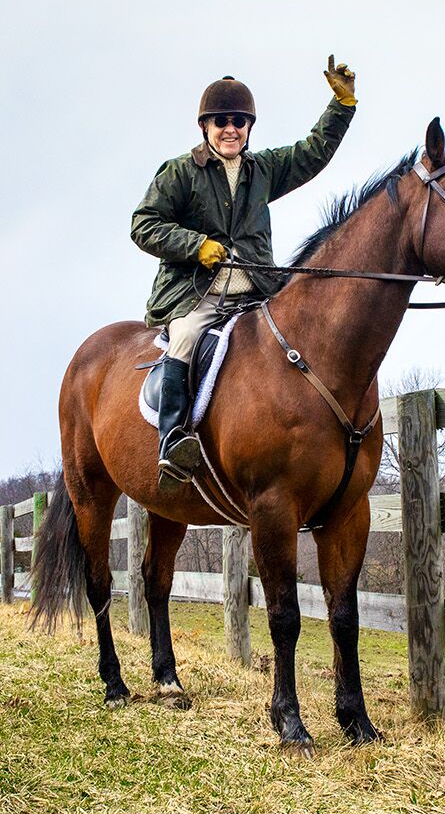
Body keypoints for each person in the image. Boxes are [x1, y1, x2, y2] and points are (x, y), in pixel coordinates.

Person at [131, 56, 358, 489]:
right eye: (221, 121)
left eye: (238, 121)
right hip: (195, 295)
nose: (230, 129)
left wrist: (341, 105)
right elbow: (143, 225)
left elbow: (312, 153)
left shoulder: (264, 170)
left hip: (256, 291)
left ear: (249, 127)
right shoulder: (180, 172)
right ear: (205, 127)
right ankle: (172, 442)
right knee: (184, 338)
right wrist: (195, 246)